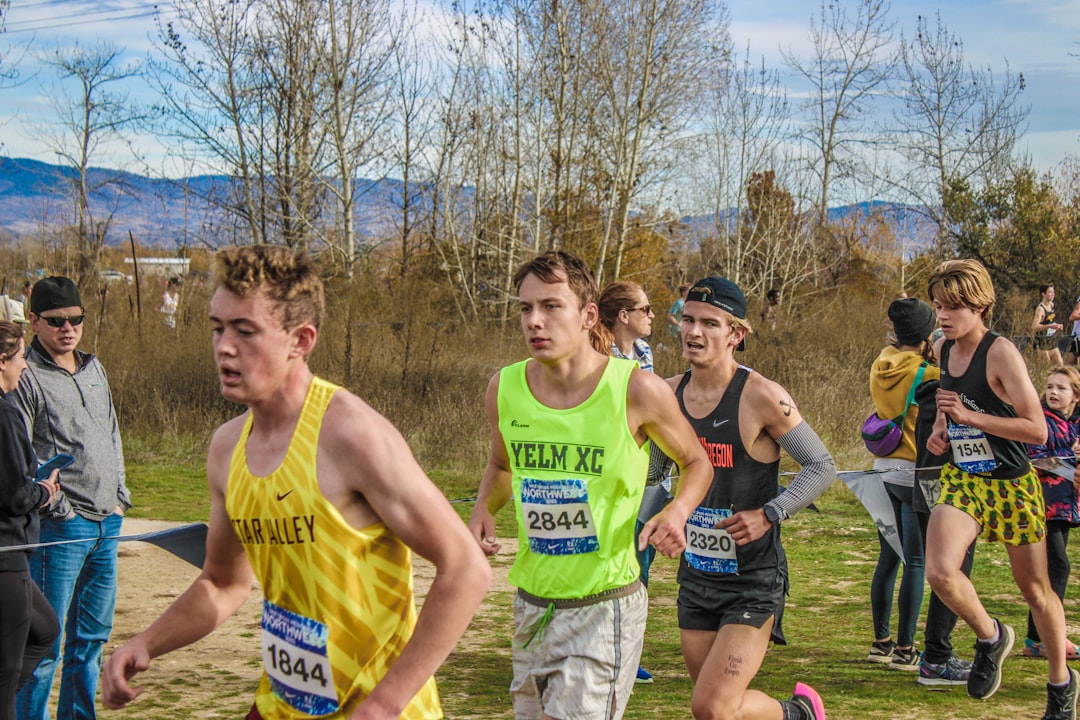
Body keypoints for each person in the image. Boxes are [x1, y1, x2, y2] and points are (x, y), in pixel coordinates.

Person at [102, 245, 490, 718]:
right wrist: (146, 643)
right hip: (284, 704)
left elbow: (467, 567)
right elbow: (224, 583)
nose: (225, 346)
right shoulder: (226, 448)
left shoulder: (352, 434)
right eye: (218, 328)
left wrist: (386, 702)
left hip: (376, 709)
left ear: (300, 341)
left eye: (246, 331)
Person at [469, 250, 713, 720]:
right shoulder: (505, 388)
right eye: (525, 308)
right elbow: (502, 466)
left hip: (603, 608)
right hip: (532, 606)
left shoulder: (635, 389)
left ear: (588, 315)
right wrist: (484, 508)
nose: (534, 321)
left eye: (551, 306)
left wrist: (677, 511)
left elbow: (696, 462)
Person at [664, 276, 835, 720]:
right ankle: (794, 713)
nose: (694, 332)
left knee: (713, 707)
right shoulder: (665, 395)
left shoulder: (762, 396)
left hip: (752, 580)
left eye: (709, 323)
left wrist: (769, 513)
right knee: (717, 710)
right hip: (697, 575)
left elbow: (821, 466)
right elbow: (654, 473)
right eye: (687, 320)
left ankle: (797, 712)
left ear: (736, 334)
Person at [925, 259, 1079, 718]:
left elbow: (1036, 430)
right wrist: (940, 427)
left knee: (1036, 591)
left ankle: (1061, 683)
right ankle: (991, 637)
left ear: (980, 306)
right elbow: (948, 399)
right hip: (964, 478)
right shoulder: (941, 348)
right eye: (938, 306)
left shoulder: (1001, 353)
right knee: (940, 571)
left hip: (1011, 484)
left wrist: (971, 419)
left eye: (954, 307)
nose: (944, 316)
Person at [15, 276, 130, 720]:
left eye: (76, 319)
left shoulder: (94, 367)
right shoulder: (25, 376)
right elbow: (20, 453)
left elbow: (113, 432)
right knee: (45, 644)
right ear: (34, 322)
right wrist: (57, 508)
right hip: (61, 529)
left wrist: (121, 494)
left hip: (108, 522)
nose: (69, 329)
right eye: (57, 321)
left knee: (92, 639)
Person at [865, 298, 937, 671]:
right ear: (926, 336)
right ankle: (907, 650)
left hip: (881, 470)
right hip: (912, 472)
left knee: (888, 558)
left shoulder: (880, 365)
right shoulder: (927, 374)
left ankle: (881, 642)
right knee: (917, 561)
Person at [598, 280, 663, 684]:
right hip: (610, 475)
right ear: (624, 316)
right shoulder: (594, 354)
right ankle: (606, 650)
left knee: (642, 564)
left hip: (649, 473)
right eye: (646, 308)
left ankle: (629, 651)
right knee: (612, 565)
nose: (653, 315)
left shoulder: (645, 352)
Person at [0, 321, 60, 720]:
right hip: (6, 557)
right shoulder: (5, 414)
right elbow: (13, 494)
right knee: (5, 672)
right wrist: (45, 491)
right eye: (21, 357)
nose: (25, 366)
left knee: (46, 630)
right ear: (2, 361)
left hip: (11, 557)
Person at [912, 377, 975, 687]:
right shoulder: (953, 400)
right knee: (951, 573)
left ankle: (933, 653)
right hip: (949, 493)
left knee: (941, 572)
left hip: (928, 488)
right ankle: (936, 658)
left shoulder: (929, 397)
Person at [1023, 365, 1080, 660]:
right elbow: (1032, 459)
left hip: (1067, 507)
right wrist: (1071, 462)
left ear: (1076, 396)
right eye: (1050, 386)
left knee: (1051, 570)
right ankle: (1048, 638)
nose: (1053, 392)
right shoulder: (1040, 419)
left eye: (1061, 388)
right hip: (1041, 505)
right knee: (1058, 568)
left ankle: (1035, 639)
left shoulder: (1077, 422)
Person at [1033, 284, 1065, 366]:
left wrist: (1057, 326)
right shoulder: (1040, 309)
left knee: (1060, 364)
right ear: (1043, 294)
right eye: (1050, 292)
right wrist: (1050, 326)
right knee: (1046, 366)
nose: (1053, 294)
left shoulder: (1052, 305)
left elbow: (1050, 321)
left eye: (1053, 292)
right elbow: (1035, 326)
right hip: (1041, 341)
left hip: (1051, 340)